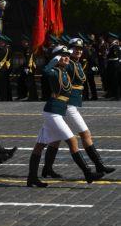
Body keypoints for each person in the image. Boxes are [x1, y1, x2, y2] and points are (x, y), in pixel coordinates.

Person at [27, 45, 104, 188]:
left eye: (67, 55)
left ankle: (32, 177)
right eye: (63, 55)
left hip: (57, 112)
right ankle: (88, 173)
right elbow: (45, 71)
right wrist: (54, 60)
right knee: (72, 140)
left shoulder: (64, 72)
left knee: (40, 145)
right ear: (56, 58)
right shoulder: (55, 71)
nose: (67, 57)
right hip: (53, 112)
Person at [41, 38, 115, 179]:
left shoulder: (77, 63)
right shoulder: (68, 63)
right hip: (68, 105)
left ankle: (47, 168)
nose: (79, 51)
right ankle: (99, 165)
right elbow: (54, 73)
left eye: (80, 49)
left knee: (55, 139)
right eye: (75, 48)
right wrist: (58, 57)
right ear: (69, 50)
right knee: (85, 134)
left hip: (71, 104)